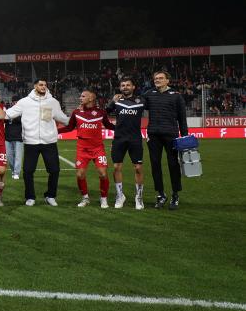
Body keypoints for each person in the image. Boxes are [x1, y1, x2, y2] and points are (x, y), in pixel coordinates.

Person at [2, 78, 70, 206]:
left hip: (49, 142)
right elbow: (6, 115)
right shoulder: (24, 102)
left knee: (54, 170)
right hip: (31, 142)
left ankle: (50, 196)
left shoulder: (53, 102)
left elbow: (62, 118)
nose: (43, 86)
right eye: (40, 84)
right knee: (28, 171)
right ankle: (30, 197)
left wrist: (76, 116)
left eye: (45, 85)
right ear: (35, 86)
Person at [57, 89, 115, 208]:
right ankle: (85, 198)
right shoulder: (76, 112)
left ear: (91, 98)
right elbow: (69, 128)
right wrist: (55, 131)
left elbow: (108, 125)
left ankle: (103, 198)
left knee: (103, 174)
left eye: (83, 96)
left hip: (98, 148)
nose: (80, 98)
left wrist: (121, 129)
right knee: (80, 174)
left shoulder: (101, 113)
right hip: (82, 148)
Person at [142, 70, 188, 210]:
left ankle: (175, 195)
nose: (157, 80)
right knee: (155, 165)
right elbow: (136, 105)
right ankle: (161, 195)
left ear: (168, 80)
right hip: (153, 135)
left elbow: (182, 118)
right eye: (156, 78)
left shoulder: (176, 96)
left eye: (161, 78)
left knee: (173, 165)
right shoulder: (149, 94)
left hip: (171, 135)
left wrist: (185, 137)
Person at [107, 76, 146, 209]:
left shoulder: (141, 100)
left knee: (138, 168)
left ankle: (139, 197)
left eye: (128, 85)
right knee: (117, 167)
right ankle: (120, 195)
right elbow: (104, 113)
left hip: (135, 138)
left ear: (133, 87)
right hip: (119, 139)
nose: (125, 87)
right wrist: (112, 101)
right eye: (123, 85)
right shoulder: (117, 101)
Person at [4, 97, 24, 180]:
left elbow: (22, 121)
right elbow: (3, 120)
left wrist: (11, 115)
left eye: (17, 102)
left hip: (19, 137)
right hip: (8, 137)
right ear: (12, 102)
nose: (15, 103)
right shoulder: (8, 111)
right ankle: (13, 170)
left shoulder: (23, 112)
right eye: (14, 102)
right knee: (9, 156)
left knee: (18, 156)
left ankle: (16, 173)